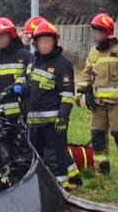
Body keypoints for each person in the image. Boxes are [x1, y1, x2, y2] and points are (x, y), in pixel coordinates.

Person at [76, 13, 118, 175]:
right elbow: (86, 73)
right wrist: (80, 91)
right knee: (97, 135)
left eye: (98, 32)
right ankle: (101, 168)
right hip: (98, 105)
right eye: (94, 32)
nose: (95, 35)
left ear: (107, 33)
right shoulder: (94, 53)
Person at [26, 20, 81, 191]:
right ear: (35, 43)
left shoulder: (62, 64)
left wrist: (63, 117)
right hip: (34, 123)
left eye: (48, 41)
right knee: (38, 158)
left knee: (54, 158)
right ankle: (47, 187)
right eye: (41, 42)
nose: (44, 45)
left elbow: (67, 95)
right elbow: (29, 84)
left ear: (55, 42)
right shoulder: (35, 61)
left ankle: (60, 190)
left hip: (53, 124)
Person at [0, 17, 33, 118]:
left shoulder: (25, 57)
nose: (0, 40)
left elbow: (31, 80)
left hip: (21, 115)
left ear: (10, 35)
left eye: (3, 36)